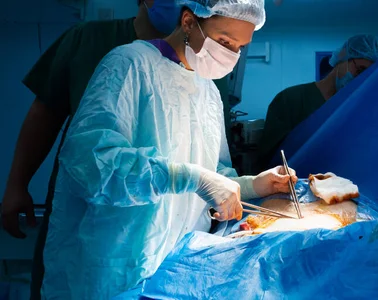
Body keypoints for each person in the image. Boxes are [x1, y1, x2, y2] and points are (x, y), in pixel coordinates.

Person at [39, 0, 293, 298]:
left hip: (178, 270)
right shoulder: (130, 64)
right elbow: (91, 165)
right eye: (225, 41)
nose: (231, 55)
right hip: (115, 269)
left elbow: (211, 175)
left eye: (239, 47)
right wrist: (189, 177)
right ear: (188, 21)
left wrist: (253, 184)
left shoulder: (208, 91)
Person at [258, 34, 378, 168]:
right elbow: (270, 158)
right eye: (360, 70)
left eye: (368, 76)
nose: (360, 80)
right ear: (343, 56)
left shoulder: (357, 108)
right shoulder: (291, 99)